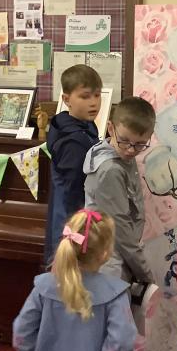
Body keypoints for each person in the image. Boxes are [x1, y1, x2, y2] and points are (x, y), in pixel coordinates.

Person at [13, 209, 137, 351]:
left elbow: (21, 331)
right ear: (105, 254)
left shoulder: (43, 287)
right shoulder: (115, 294)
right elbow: (122, 340)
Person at [84, 96, 155, 285]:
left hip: (116, 257)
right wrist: (145, 275)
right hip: (109, 263)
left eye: (140, 144)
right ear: (110, 128)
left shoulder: (121, 153)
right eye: (125, 140)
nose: (131, 150)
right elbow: (120, 230)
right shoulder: (111, 170)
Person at [44, 64, 102, 264]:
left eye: (97, 95)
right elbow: (72, 192)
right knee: (68, 271)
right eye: (85, 97)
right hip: (71, 219)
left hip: (74, 212)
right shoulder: (73, 142)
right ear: (66, 99)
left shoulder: (79, 125)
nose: (93, 102)